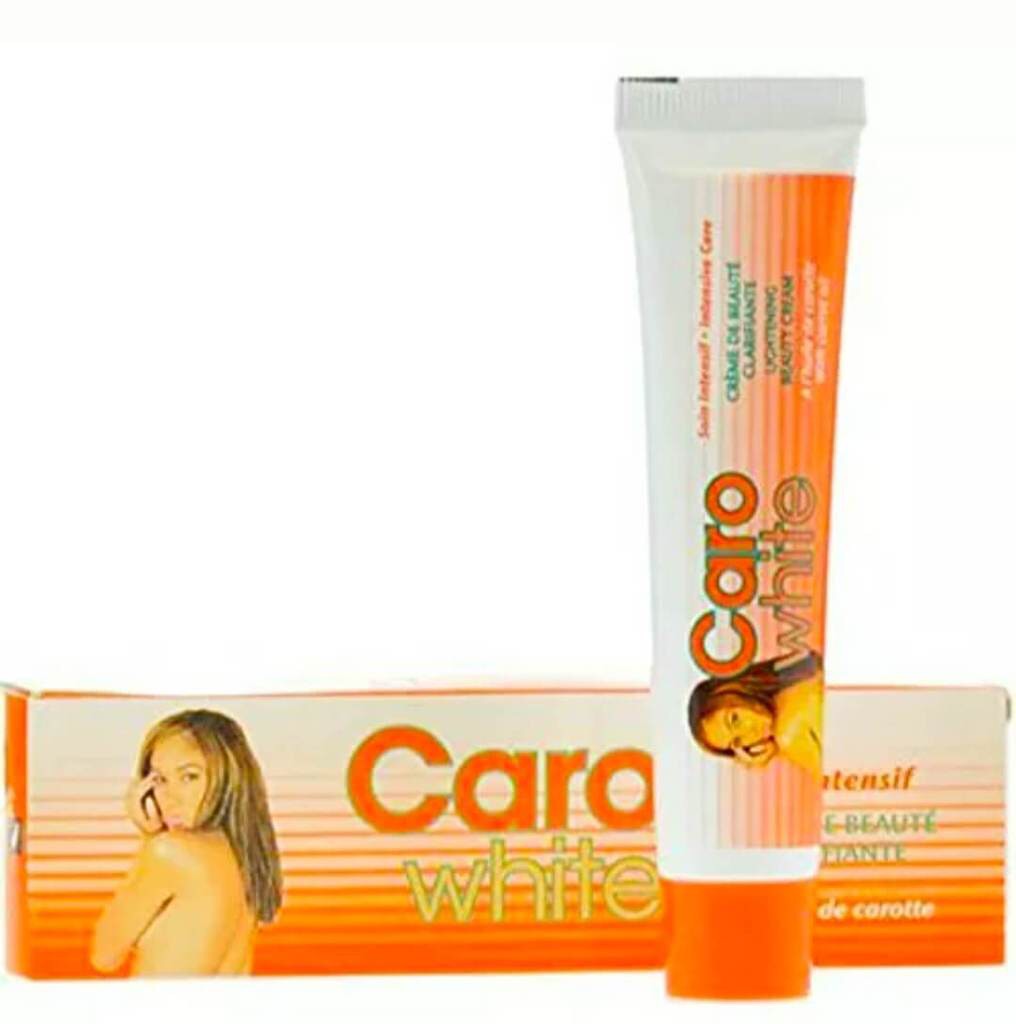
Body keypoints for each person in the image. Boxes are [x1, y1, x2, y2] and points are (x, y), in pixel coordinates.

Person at [91, 710, 282, 976]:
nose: (170, 797)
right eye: (160, 779)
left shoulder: (170, 853)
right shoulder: (244, 861)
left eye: (189, 777)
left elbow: (104, 956)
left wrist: (150, 838)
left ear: (229, 776)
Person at [687, 650, 823, 780]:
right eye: (737, 741)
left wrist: (777, 752)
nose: (750, 734)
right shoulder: (801, 667)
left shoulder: (787, 734)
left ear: (731, 690)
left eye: (735, 719)